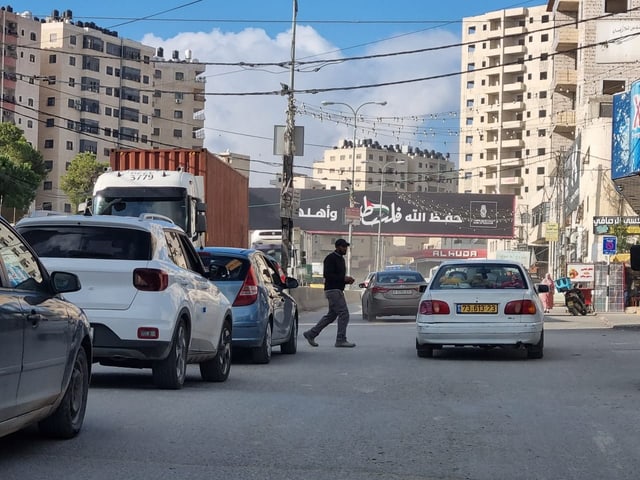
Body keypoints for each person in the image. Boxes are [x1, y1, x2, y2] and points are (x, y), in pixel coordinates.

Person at [303, 238, 356, 348]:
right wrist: (343, 279)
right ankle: (341, 339)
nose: (345, 249)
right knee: (344, 313)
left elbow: (339, 277)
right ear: (337, 247)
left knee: (331, 316)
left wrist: (346, 280)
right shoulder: (330, 258)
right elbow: (328, 275)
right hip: (333, 290)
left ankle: (311, 333)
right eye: (343, 247)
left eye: (346, 247)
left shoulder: (341, 259)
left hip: (338, 289)